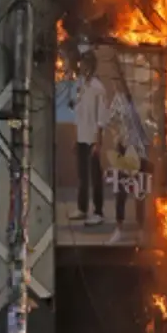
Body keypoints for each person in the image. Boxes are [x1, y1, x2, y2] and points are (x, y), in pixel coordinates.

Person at [68, 49, 107, 226]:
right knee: (82, 176)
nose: (82, 67)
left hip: (93, 139)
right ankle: (82, 209)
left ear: (91, 66)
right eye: (81, 64)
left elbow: (101, 117)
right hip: (82, 137)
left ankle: (98, 212)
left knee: (95, 176)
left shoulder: (98, 88)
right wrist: (76, 138)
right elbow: (78, 114)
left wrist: (98, 142)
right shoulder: (81, 86)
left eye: (85, 64)